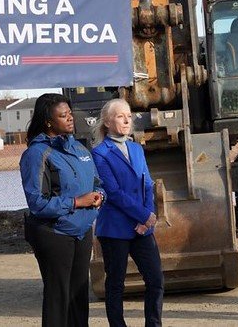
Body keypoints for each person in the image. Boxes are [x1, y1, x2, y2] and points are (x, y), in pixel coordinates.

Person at [20, 93, 105, 327]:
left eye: (69, 113)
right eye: (63, 115)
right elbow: (37, 203)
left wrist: (99, 197)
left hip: (82, 231)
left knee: (79, 296)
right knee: (59, 298)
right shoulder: (36, 154)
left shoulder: (79, 148)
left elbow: (97, 183)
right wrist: (78, 202)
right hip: (54, 234)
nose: (70, 118)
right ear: (48, 121)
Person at [91, 98, 164, 327]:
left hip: (142, 228)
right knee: (115, 284)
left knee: (156, 279)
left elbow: (147, 184)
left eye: (129, 116)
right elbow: (112, 192)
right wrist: (143, 215)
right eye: (120, 116)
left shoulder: (136, 148)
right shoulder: (100, 153)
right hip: (115, 229)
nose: (126, 120)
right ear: (107, 121)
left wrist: (148, 218)